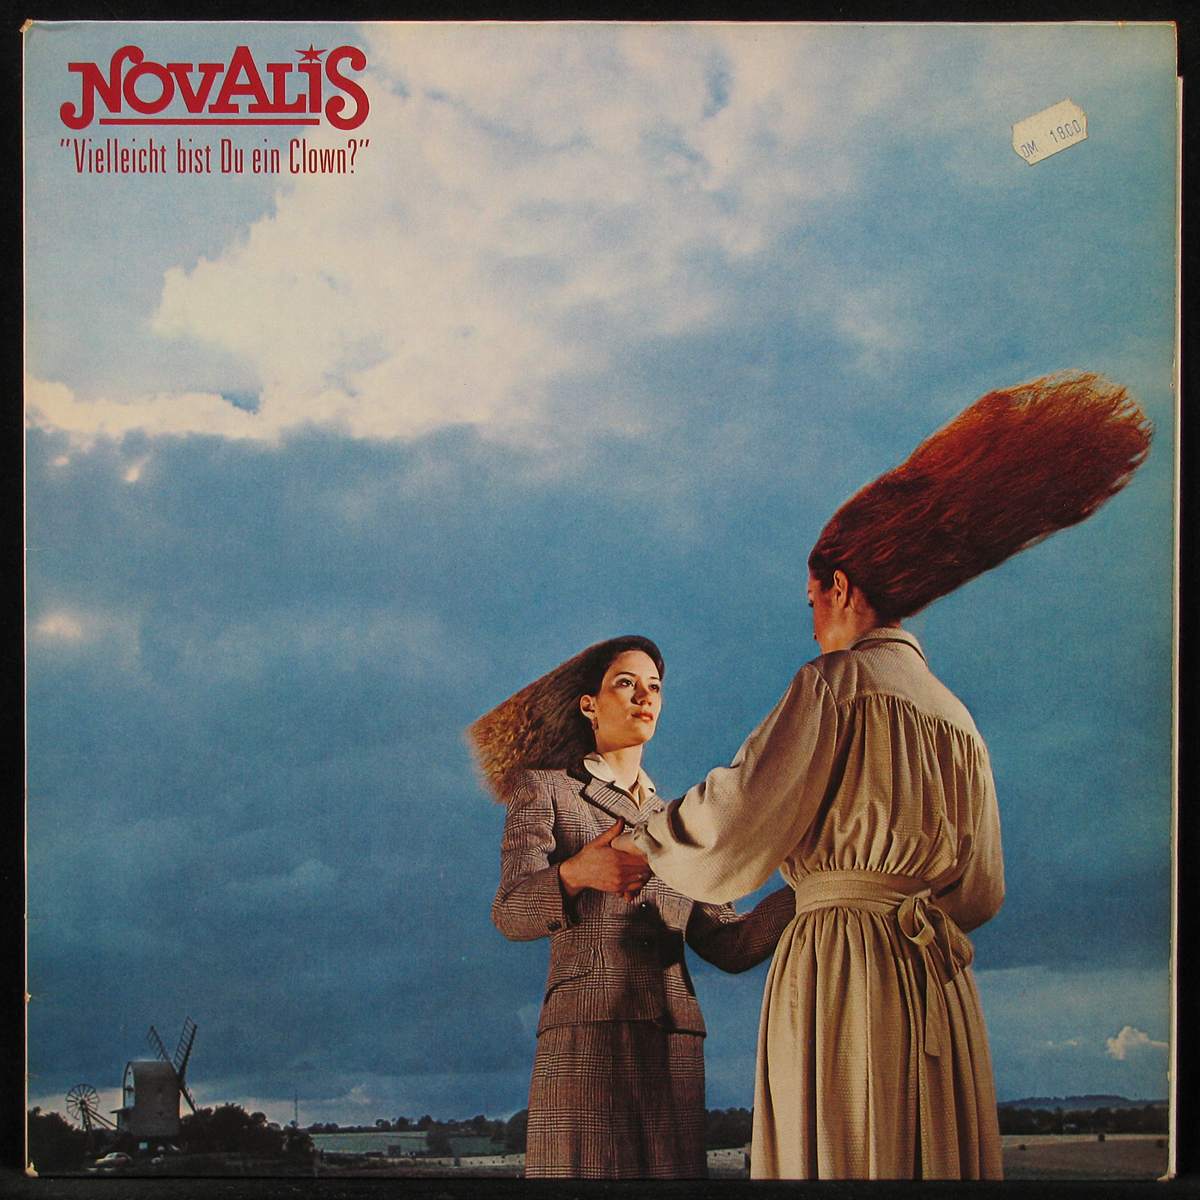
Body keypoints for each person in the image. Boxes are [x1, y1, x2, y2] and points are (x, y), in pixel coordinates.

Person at [620, 372, 1153, 1179]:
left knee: (845, 1147)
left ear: (839, 587)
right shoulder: (957, 719)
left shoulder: (834, 685)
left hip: (842, 969)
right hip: (935, 978)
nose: (812, 621)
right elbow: (982, 893)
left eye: (811, 600)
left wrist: (647, 837)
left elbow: (732, 827)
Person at [467, 635, 795, 1179]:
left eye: (655, 687)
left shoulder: (681, 820)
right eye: (626, 683)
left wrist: (814, 889)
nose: (645, 697)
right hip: (585, 1041)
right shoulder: (546, 790)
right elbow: (509, 911)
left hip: (673, 1048)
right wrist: (575, 873)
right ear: (589, 705)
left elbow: (730, 944)